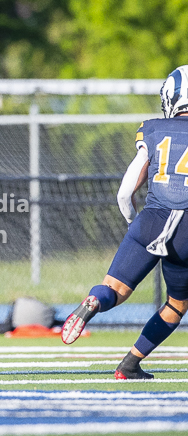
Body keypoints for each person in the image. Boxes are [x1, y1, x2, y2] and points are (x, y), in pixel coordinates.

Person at [61, 65, 188, 379]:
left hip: (150, 220)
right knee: (176, 304)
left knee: (113, 289)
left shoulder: (154, 129)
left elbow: (125, 192)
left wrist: (136, 225)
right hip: (187, 231)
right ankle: (129, 364)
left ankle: (93, 302)